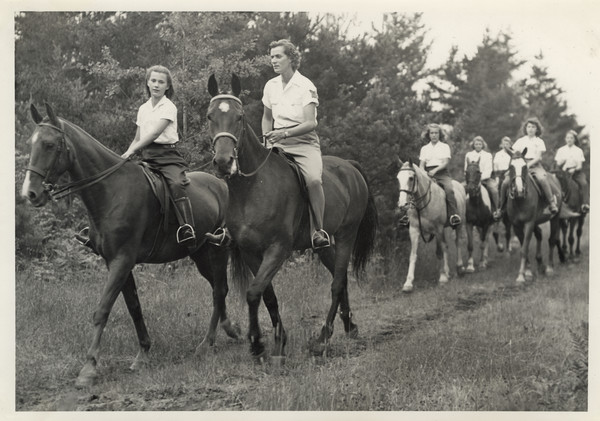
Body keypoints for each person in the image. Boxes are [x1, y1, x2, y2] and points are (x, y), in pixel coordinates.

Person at [261, 39, 330, 249]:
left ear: (291, 58)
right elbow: (266, 117)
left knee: (313, 181)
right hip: (276, 143)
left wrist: (284, 134)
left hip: (303, 143)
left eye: (278, 56)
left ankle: (319, 230)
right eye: (272, 56)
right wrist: (267, 140)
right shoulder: (270, 85)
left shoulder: (305, 86)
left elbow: (311, 122)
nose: (273, 60)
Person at [121, 65, 196, 247]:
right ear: (147, 83)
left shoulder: (169, 107)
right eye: (153, 81)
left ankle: (187, 227)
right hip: (147, 155)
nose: (156, 85)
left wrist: (133, 150)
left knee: (177, 184)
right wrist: (125, 154)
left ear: (167, 86)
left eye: (161, 82)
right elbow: (138, 137)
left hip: (166, 155)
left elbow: (154, 134)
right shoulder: (143, 108)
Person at [496, 117, 557, 218]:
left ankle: (551, 203)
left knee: (542, 178)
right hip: (520, 165)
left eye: (533, 127)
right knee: (505, 182)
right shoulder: (520, 141)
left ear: (537, 129)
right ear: (525, 128)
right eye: (529, 126)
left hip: (534, 165)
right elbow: (514, 154)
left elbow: (538, 157)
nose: (531, 129)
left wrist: (528, 164)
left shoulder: (539, 141)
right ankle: (501, 208)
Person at [418, 123, 461, 227]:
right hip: (428, 173)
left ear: (439, 134)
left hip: (442, 173)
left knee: (449, 189)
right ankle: (409, 216)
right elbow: (421, 165)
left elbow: (445, 163)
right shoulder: (424, 148)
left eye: (436, 133)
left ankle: (453, 215)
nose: (434, 135)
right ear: (428, 134)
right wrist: (423, 171)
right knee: (415, 187)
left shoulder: (444, 146)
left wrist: (435, 170)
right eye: (432, 133)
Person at [555, 130, 589, 213]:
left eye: (571, 138)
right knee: (554, 182)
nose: (569, 140)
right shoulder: (561, 150)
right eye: (567, 138)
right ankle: (553, 203)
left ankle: (585, 204)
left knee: (584, 183)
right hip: (563, 172)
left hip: (576, 172)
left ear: (574, 140)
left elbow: (579, 165)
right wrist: (562, 161)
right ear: (565, 139)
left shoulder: (578, 150)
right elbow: (558, 163)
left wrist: (573, 169)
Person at [464, 136, 498, 213]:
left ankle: (496, 210)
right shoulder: (468, 154)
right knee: (460, 188)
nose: (478, 146)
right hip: (471, 180)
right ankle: (461, 212)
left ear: (483, 145)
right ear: (473, 145)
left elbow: (488, 170)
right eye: (476, 144)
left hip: (485, 179)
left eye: (480, 144)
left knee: (494, 190)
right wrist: (470, 179)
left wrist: (479, 179)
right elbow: (466, 169)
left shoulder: (488, 155)